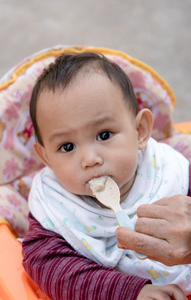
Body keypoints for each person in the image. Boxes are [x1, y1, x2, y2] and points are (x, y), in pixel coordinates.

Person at [22, 52, 190, 300]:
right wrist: (130, 292)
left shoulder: (168, 169)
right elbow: (48, 266)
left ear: (140, 131)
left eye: (104, 135)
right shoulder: (55, 206)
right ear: (46, 158)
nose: (90, 159)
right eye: (67, 147)